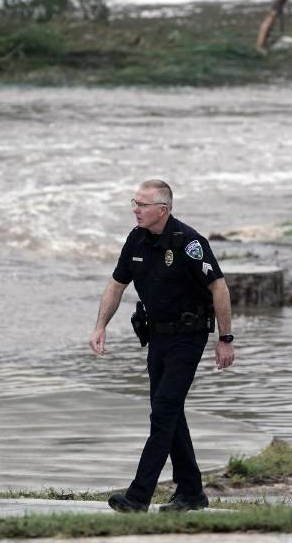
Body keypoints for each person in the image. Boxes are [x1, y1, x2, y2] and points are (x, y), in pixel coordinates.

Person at [90, 179, 235, 513]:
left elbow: (220, 289)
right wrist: (100, 326)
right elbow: (116, 284)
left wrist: (225, 339)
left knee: (164, 412)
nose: (135, 209)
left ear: (163, 210)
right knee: (170, 412)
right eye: (134, 202)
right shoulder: (135, 239)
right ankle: (191, 492)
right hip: (156, 337)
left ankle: (138, 497)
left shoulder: (190, 243)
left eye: (142, 204)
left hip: (188, 336)